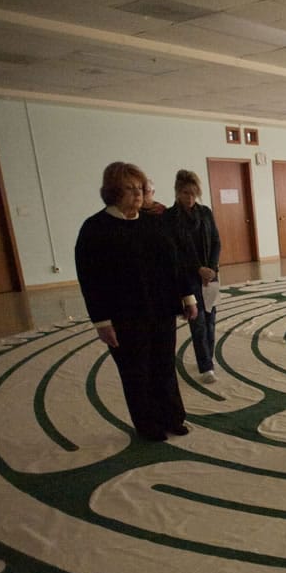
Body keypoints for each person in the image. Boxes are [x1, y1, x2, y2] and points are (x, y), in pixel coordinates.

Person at [75, 162, 198, 442]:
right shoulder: (95, 229)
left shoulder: (154, 223)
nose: (138, 194)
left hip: (161, 311)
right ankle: (148, 424)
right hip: (124, 316)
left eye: (140, 189)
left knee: (164, 365)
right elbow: (89, 280)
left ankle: (173, 417)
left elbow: (173, 264)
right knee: (136, 371)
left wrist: (187, 297)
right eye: (130, 189)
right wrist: (101, 322)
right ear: (113, 192)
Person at [164, 169, 222, 383]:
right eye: (185, 193)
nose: (189, 198)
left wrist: (212, 268)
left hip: (210, 276)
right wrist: (198, 269)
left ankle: (209, 355)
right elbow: (175, 251)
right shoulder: (170, 218)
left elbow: (216, 240)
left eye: (193, 193)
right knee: (197, 321)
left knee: (211, 319)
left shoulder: (205, 212)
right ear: (177, 192)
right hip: (188, 278)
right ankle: (205, 365)